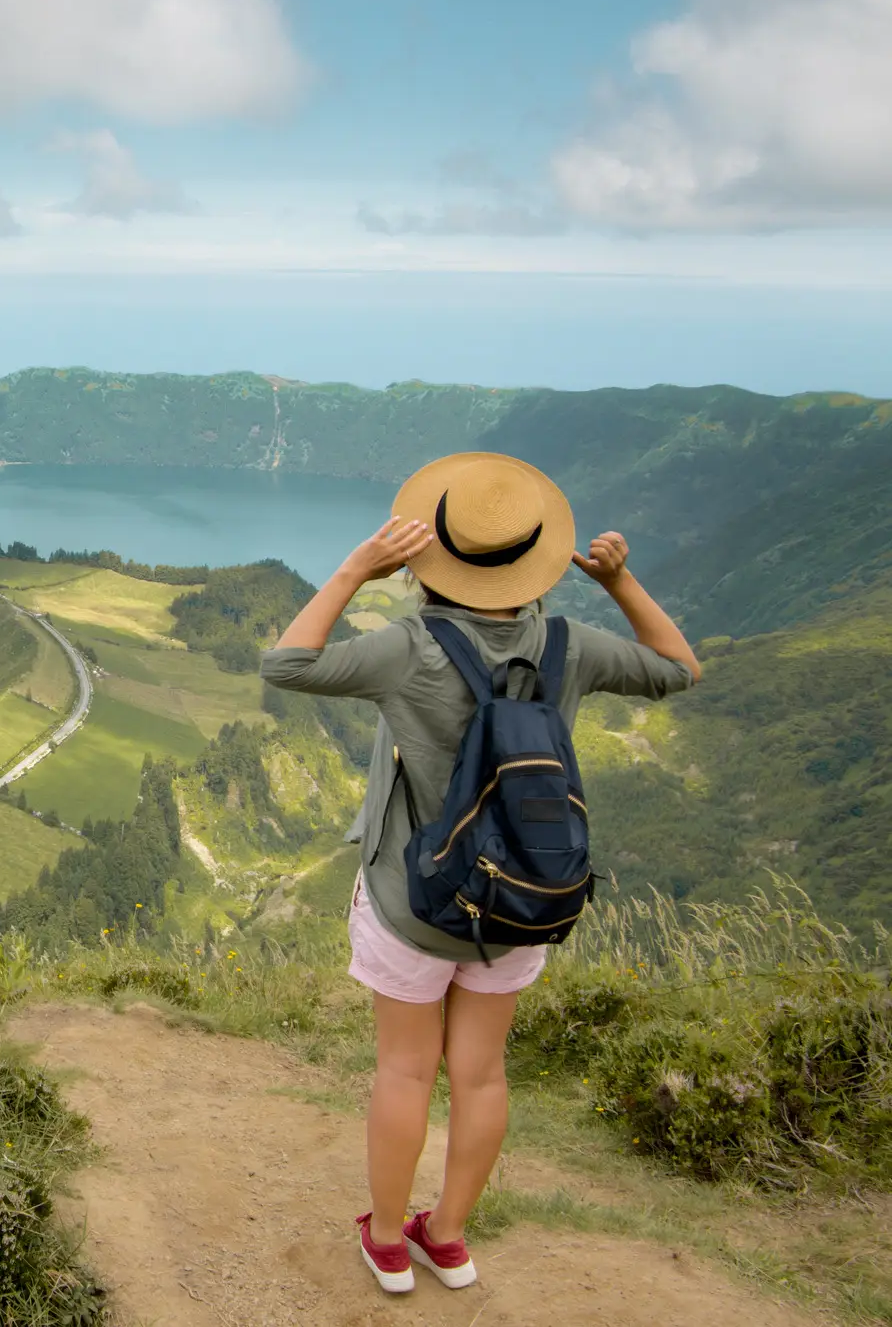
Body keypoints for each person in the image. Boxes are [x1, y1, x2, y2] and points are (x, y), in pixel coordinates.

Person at [260, 452, 700, 1295]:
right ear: (533, 559)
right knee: (482, 1074)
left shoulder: (406, 649)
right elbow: (679, 669)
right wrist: (619, 582)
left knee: (404, 1071)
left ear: (432, 558)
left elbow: (287, 664)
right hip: (519, 903)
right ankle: (450, 1239)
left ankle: (389, 1244)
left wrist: (358, 567)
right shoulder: (572, 647)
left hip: (413, 903)